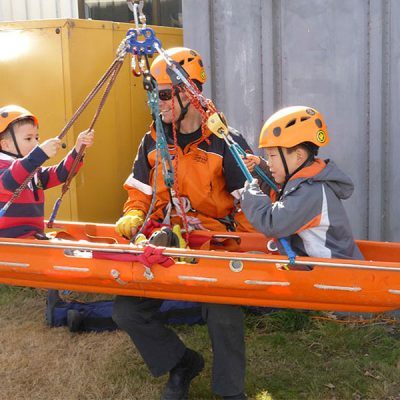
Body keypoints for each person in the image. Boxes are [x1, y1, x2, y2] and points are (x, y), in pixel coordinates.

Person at [113, 47, 252, 400]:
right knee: (127, 310)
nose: (155, 104)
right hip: (165, 240)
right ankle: (181, 362)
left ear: (189, 92)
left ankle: (230, 392)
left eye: (162, 95)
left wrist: (245, 256)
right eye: (151, 96)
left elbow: (250, 204)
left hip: (214, 244)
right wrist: (133, 213)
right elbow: (140, 190)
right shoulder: (152, 139)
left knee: (223, 314)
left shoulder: (224, 141)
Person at [0, 104, 94, 326]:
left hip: (29, 238)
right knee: (69, 252)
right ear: (4, 144)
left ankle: (65, 280)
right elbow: (10, 181)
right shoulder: (8, 168)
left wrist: (78, 150)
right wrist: (39, 154)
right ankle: (65, 283)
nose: (34, 143)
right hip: (11, 242)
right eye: (28, 139)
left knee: (74, 245)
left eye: (36, 138)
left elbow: (59, 174)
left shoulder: (29, 169)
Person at [241, 105, 363, 260]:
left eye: (272, 156)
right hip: (325, 272)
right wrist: (262, 168)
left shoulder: (312, 192)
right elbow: (283, 190)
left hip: (335, 277)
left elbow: (272, 223)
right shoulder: (308, 182)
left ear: (298, 156)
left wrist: (250, 195)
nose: (269, 162)